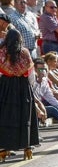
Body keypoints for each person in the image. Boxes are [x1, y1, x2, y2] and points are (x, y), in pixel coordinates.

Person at [0, 30, 37, 159]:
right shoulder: (25, 53)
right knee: (24, 116)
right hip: (23, 87)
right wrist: (31, 88)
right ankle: (27, 147)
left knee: (5, 117)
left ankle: (4, 148)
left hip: (5, 87)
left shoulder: (1, 52)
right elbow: (31, 75)